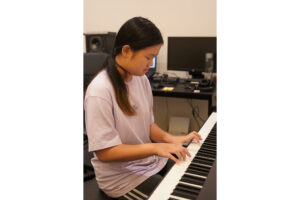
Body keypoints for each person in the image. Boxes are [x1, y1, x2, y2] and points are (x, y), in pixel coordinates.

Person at [84, 16, 202, 199]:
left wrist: (173, 140)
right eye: (149, 57)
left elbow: (148, 125)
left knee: (194, 176)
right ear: (126, 51)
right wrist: (155, 148)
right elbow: (105, 152)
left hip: (148, 163)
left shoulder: (141, 79)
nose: (151, 64)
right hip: (121, 180)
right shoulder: (100, 90)